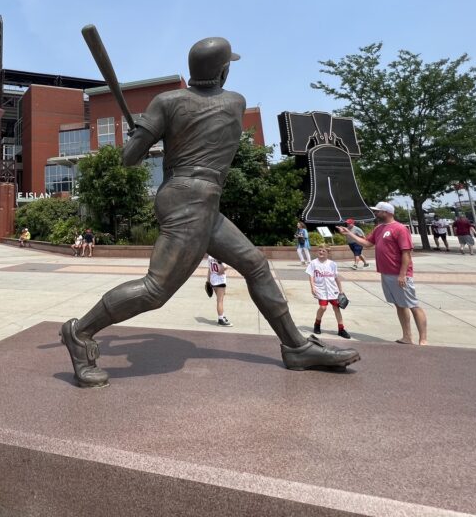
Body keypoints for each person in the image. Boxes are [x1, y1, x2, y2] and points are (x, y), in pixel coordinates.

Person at [61, 37, 358, 387]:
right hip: (192, 200)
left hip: (196, 200)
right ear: (222, 71)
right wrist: (148, 133)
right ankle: (80, 332)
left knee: (256, 265)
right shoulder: (234, 101)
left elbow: (128, 160)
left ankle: (295, 346)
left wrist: (140, 135)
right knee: (156, 289)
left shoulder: (166, 103)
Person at [339, 201, 427, 345]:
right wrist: (349, 233)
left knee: (413, 304)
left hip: (399, 274)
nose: (375, 213)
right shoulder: (379, 229)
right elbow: (367, 243)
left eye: (378, 211)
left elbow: (406, 252)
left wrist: (402, 274)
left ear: (386, 212)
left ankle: (423, 339)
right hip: (386, 273)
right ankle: (407, 336)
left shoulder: (399, 228)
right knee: (400, 305)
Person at [306, 247, 350, 338]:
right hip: (321, 289)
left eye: (323, 251)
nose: (321, 252)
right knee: (323, 307)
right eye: (320, 250)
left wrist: (341, 290)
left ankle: (341, 329)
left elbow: (336, 277)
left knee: (336, 308)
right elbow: (311, 276)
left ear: (328, 253)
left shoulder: (332, 264)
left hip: (332, 289)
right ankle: (317, 324)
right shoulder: (313, 263)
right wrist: (312, 287)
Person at [205, 254, 231, 326]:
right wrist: (221, 271)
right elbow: (225, 267)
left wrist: (208, 281)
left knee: (219, 300)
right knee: (220, 301)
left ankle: (222, 316)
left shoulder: (210, 256)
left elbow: (209, 269)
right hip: (220, 281)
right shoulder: (220, 256)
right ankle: (221, 319)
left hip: (213, 280)